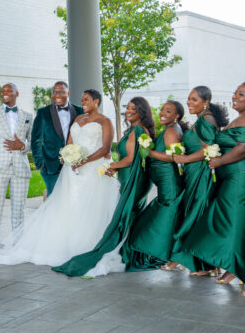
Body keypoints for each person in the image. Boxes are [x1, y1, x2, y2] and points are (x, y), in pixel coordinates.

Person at [0, 88, 117, 267]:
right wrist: (67, 156)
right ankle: (63, 242)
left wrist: (83, 161)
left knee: (90, 207)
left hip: (93, 171)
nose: (83, 103)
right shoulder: (78, 119)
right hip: (72, 171)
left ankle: (87, 244)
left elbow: (105, 149)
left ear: (97, 102)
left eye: (86, 100)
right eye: (82, 100)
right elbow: (69, 143)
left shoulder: (105, 121)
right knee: (67, 206)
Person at [181, 83, 245, 287]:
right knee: (229, 220)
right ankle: (228, 264)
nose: (234, 97)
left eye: (241, 94)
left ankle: (235, 267)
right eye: (234, 93)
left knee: (234, 223)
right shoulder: (244, 116)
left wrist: (219, 161)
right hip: (231, 178)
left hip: (239, 179)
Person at [54, 97, 154, 277]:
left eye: (134, 108)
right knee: (128, 218)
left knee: (123, 218)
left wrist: (111, 166)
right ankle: (129, 253)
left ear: (142, 112)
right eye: (128, 107)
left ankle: (126, 253)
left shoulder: (138, 130)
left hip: (133, 181)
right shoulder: (133, 130)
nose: (129, 111)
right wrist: (114, 168)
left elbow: (130, 159)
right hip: (128, 178)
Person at [167, 86, 229, 274]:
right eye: (189, 98)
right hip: (195, 173)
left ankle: (196, 263)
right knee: (195, 214)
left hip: (202, 174)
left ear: (206, 102)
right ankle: (204, 264)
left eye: (194, 99)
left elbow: (208, 149)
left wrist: (184, 159)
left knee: (196, 214)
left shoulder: (205, 120)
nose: (189, 102)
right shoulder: (204, 119)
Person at [121, 101, 188, 270]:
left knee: (164, 220)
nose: (162, 113)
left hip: (169, 184)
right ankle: (172, 256)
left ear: (177, 116)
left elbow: (172, 157)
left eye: (168, 111)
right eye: (162, 110)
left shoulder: (172, 131)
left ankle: (174, 257)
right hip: (165, 183)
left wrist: (149, 152)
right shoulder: (169, 129)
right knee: (167, 220)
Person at [0, 83, 35, 257]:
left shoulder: (27, 116)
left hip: (20, 168)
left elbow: (32, 143)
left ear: (17, 93)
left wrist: (22, 145)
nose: (5, 93)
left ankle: (18, 243)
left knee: (19, 209)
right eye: (2, 91)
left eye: (9, 91)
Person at [31, 81, 82, 195]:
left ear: (68, 93)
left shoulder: (80, 111)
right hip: (50, 165)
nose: (57, 95)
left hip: (75, 164)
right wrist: (40, 163)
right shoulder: (43, 112)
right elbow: (36, 139)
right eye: (54, 92)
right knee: (54, 199)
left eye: (61, 92)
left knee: (74, 198)